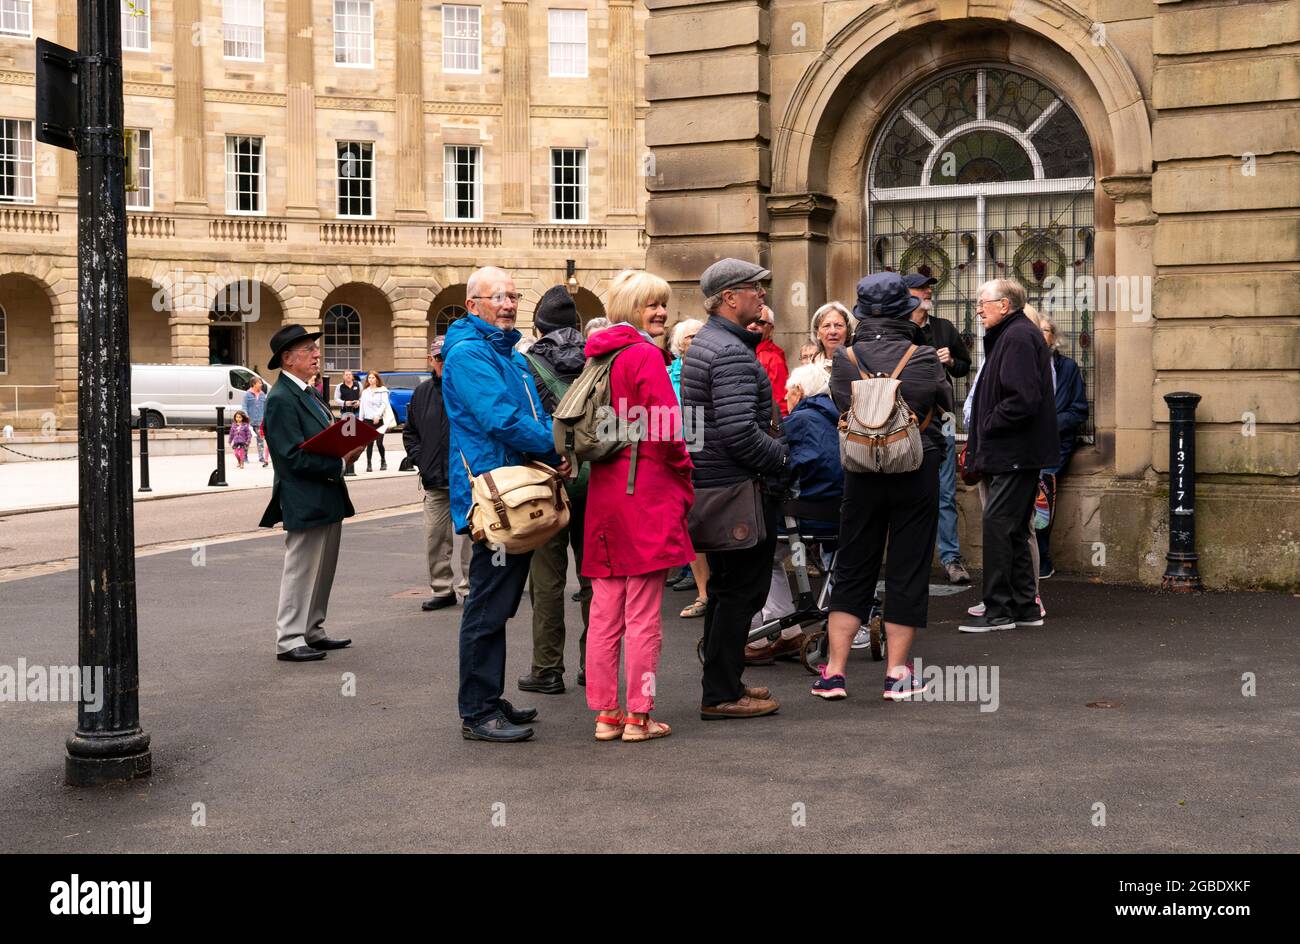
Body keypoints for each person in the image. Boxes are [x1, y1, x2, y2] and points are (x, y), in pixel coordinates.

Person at [443, 266, 569, 743]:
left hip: (513, 489)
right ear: (472, 304)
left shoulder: (503, 350)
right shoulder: (470, 354)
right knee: (487, 605)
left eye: (514, 296)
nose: (509, 304)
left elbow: (526, 414)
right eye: (498, 297)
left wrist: (549, 445)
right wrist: (557, 448)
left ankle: (489, 699)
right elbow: (501, 419)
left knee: (498, 603)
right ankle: (477, 711)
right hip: (495, 496)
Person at [812, 273, 951, 700]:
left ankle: (834, 673)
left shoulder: (845, 358)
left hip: (862, 470)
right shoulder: (923, 355)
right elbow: (941, 401)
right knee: (908, 568)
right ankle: (896, 675)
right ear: (904, 310)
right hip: (915, 466)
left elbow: (841, 405)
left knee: (854, 563)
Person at [582, 270, 695, 743]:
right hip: (645, 493)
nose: (661, 312)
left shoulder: (599, 356)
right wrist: (686, 473)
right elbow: (669, 429)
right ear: (631, 308)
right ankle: (640, 715)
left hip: (606, 493)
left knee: (605, 614)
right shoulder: (646, 355)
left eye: (663, 304)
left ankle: (606, 714)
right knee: (644, 615)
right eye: (651, 304)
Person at [681, 258, 789, 721]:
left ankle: (724, 682)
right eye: (755, 289)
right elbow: (740, 433)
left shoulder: (709, 343)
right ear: (729, 298)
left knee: (727, 590)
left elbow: (700, 429)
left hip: (719, 486)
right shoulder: (728, 352)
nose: (762, 296)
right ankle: (722, 693)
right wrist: (783, 459)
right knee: (742, 591)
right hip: (738, 489)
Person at [259, 324, 366, 663]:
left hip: (326, 493)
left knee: (323, 568)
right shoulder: (280, 399)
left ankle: (312, 629)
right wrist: (338, 463)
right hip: (305, 495)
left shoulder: (309, 393)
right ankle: (289, 638)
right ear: (287, 359)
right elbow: (289, 458)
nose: (317, 354)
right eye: (308, 350)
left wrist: (349, 445)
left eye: (314, 349)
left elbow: (324, 438)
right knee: (301, 567)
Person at [958, 280, 1058, 633]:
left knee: (999, 528)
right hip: (1017, 452)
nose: (978, 309)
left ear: (1003, 304)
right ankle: (1025, 609)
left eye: (982, 303)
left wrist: (988, 423)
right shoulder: (1015, 335)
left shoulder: (1016, 337)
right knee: (1013, 530)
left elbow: (1023, 399)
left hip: (1014, 452)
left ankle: (998, 611)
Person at [518, 285, 593, 695]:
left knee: (546, 580)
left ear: (539, 326)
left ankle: (547, 669)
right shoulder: (597, 360)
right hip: (594, 479)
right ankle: (592, 664)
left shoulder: (526, 363)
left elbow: (524, 420)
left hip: (547, 481)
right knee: (594, 578)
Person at [743, 362, 841, 664]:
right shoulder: (839, 419)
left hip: (801, 516)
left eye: (787, 392)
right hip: (839, 515)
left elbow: (782, 467)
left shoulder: (797, 422)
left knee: (761, 553)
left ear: (798, 392)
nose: (785, 398)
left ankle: (775, 631)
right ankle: (788, 632)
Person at [903, 273, 973, 586]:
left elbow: (964, 365)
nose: (928, 291)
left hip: (942, 420)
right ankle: (909, 561)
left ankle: (951, 559)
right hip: (904, 422)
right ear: (906, 294)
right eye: (921, 287)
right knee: (905, 492)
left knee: (945, 493)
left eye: (929, 287)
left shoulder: (943, 327)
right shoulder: (899, 329)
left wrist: (949, 361)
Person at [403, 337, 471, 612]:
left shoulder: (468, 386)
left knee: (472, 540)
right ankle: (442, 589)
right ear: (431, 360)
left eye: (446, 357)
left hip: (467, 478)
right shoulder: (422, 393)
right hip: (435, 479)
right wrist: (420, 458)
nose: (442, 362)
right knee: (434, 538)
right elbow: (411, 432)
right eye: (438, 358)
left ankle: (471, 589)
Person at [1034, 312, 1088, 578]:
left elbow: (1079, 411)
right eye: (1036, 329)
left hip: (1056, 445)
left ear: (1054, 337)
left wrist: (1049, 423)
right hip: (1024, 445)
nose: (1041, 334)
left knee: (1042, 499)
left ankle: (1043, 559)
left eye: (1045, 330)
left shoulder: (1067, 369)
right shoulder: (1022, 366)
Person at [748, 305, 790, 416]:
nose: (752, 326)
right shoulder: (735, 348)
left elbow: (781, 405)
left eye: (759, 322)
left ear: (770, 329)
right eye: (749, 321)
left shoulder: (774, 360)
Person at [810, 301, 855, 372]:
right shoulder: (805, 375)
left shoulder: (860, 367)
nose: (833, 331)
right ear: (817, 333)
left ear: (848, 332)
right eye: (826, 326)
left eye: (838, 325)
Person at [359, 370, 390, 472]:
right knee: (370, 443)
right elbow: (362, 407)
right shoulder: (365, 392)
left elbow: (384, 404)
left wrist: (377, 415)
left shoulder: (382, 390)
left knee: (379, 443)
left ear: (377, 379)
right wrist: (360, 420)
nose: (371, 380)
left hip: (379, 420)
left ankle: (383, 461)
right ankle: (369, 464)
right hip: (368, 420)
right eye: (369, 378)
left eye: (373, 377)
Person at [332, 370, 362, 475]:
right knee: (347, 437)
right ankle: (347, 463)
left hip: (357, 413)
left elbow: (362, 396)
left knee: (356, 437)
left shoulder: (358, 384)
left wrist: (359, 402)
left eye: (350, 375)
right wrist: (345, 403)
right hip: (345, 413)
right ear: (343, 377)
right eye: (346, 375)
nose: (348, 376)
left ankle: (353, 460)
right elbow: (336, 399)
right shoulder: (340, 386)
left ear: (352, 376)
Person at [243, 377, 269, 467]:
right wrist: (246, 416)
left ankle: (261, 457)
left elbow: (266, 407)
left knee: (260, 440)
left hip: (260, 421)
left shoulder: (262, 394)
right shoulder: (247, 394)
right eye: (259, 383)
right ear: (254, 384)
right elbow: (244, 406)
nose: (261, 385)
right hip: (249, 422)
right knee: (247, 440)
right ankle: (244, 457)